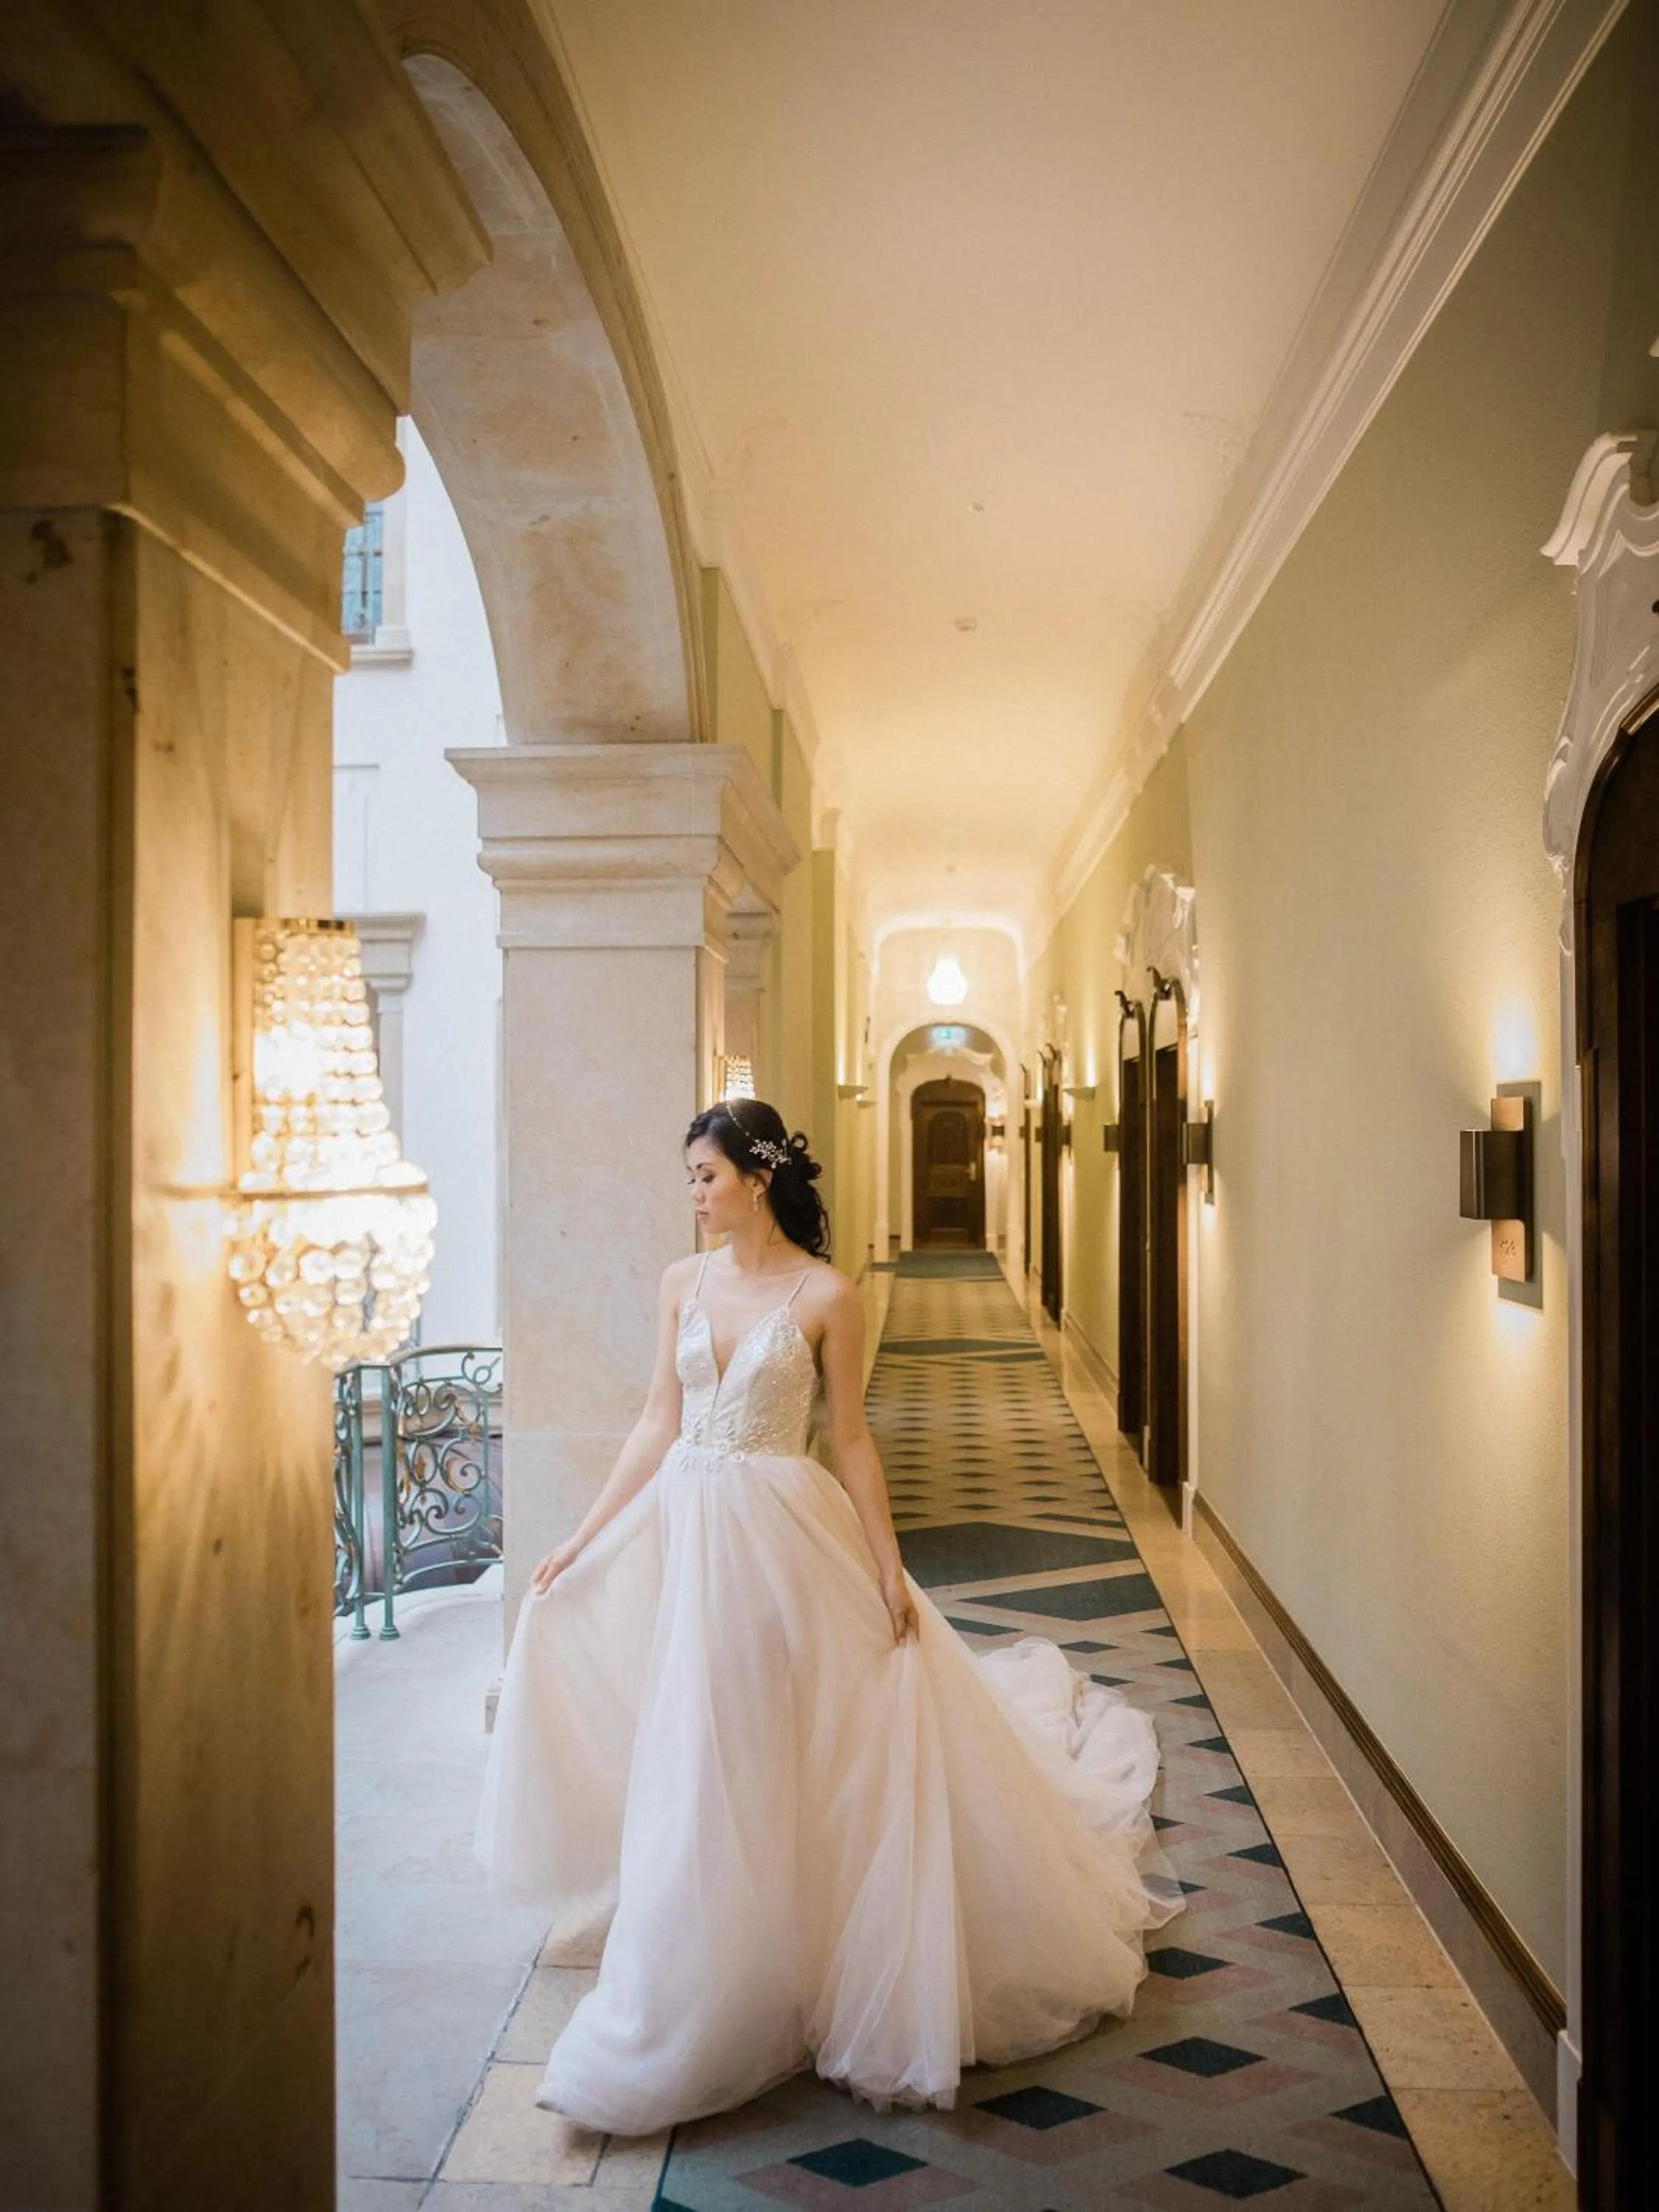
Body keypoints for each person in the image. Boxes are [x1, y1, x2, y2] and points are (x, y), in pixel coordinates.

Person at [476, 1097, 1179, 2137]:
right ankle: (688, 1978)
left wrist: (887, 1570)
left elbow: (848, 1439)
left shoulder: (826, 1295)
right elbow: (656, 1422)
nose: (694, 1197)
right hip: (688, 1531)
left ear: (758, 1179)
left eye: (706, 1177)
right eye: (688, 1180)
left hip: (779, 1532)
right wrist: (581, 1537)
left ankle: (791, 1952)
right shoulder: (681, 1283)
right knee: (694, 1746)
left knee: (785, 1740)